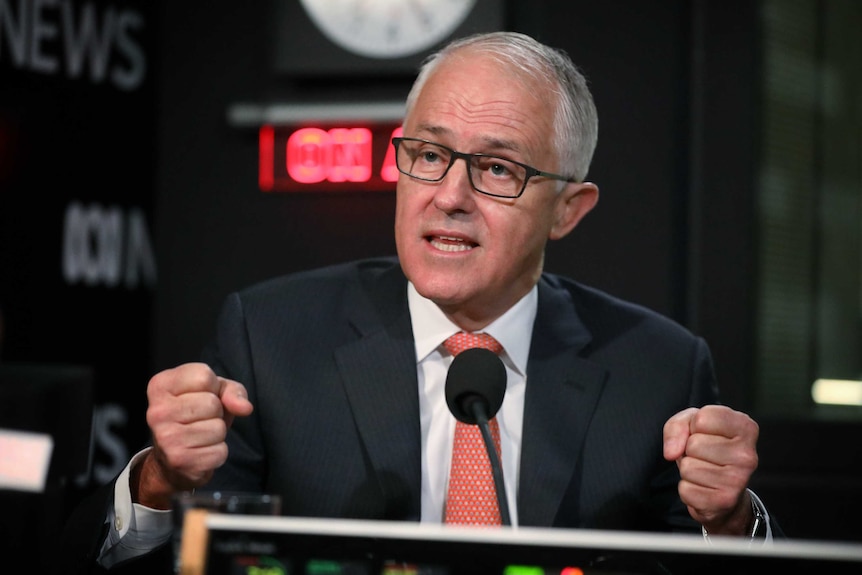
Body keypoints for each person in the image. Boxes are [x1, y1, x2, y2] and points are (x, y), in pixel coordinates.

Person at [58, 30, 781, 574]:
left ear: (569, 208)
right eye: (429, 155)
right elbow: (174, 561)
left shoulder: (656, 370)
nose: (450, 196)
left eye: (497, 168)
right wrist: (159, 482)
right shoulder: (273, 339)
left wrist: (729, 521)